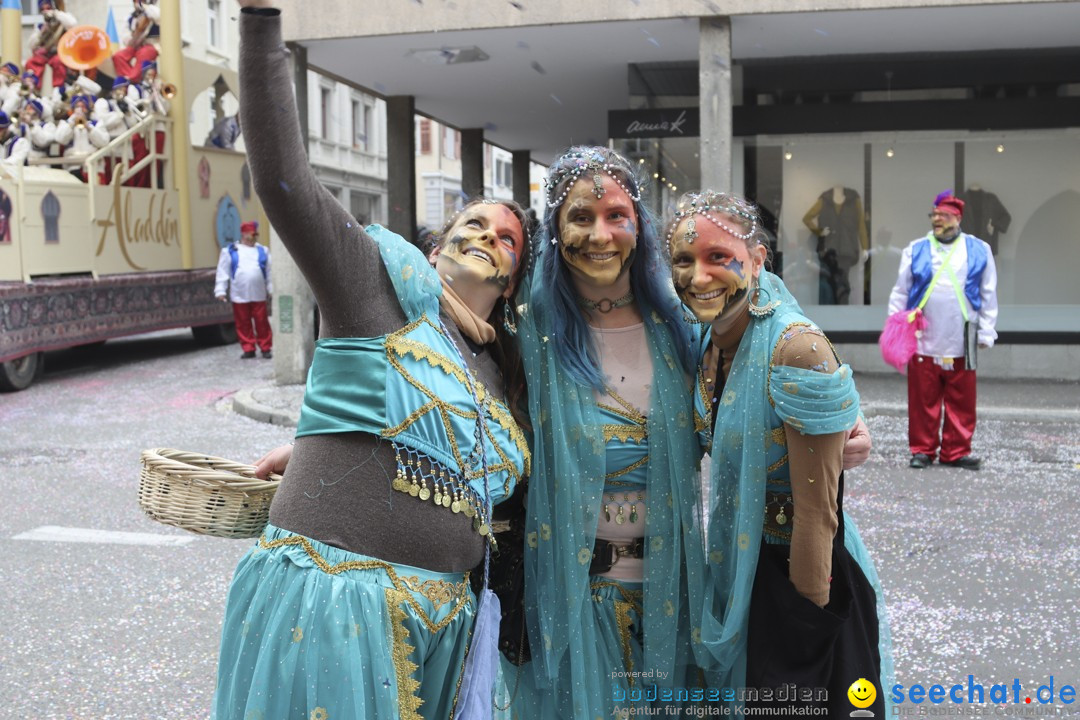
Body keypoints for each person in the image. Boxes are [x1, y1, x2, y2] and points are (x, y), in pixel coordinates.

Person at [213, 5, 532, 720]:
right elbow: (283, 179)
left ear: (514, 280)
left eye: (506, 237)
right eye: (471, 223)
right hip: (337, 613)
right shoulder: (375, 288)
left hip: (449, 631)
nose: (485, 234)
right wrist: (263, 21)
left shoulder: (505, 369)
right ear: (441, 241)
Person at [668, 191, 891, 715]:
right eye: (684, 259)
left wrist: (803, 636)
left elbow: (818, 514)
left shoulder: (796, 349)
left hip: (801, 575)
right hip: (739, 567)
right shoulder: (707, 336)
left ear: (759, 259)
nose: (699, 276)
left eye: (719, 257)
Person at [887, 191, 997, 470]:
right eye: (934, 215)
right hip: (924, 337)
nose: (937, 220)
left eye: (943, 216)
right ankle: (922, 450)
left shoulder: (979, 249)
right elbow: (901, 291)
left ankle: (956, 450)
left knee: (962, 398)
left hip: (962, 337)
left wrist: (987, 330)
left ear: (957, 218)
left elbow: (988, 292)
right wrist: (895, 326)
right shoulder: (915, 249)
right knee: (923, 398)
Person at [214, 220, 273, 359]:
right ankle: (248, 347)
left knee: (262, 321)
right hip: (239, 294)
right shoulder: (230, 251)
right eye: (250, 234)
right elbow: (222, 271)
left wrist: (271, 288)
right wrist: (220, 290)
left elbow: (270, 272)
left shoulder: (262, 250)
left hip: (258, 293)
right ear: (244, 234)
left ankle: (265, 347)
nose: (252, 238)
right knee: (243, 322)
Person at [24, 0, 77, 90]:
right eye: (43, 9)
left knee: (57, 61)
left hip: (60, 53)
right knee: (31, 62)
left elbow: (72, 23)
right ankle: (34, 88)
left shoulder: (62, 21)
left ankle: (57, 88)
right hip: (46, 54)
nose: (46, 11)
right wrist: (41, 33)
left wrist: (55, 14)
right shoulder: (41, 26)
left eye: (48, 8)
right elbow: (31, 45)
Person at [112, 0, 161, 81]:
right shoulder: (131, 18)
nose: (137, 3)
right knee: (118, 56)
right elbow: (125, 38)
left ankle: (133, 78)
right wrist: (135, 35)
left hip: (151, 45)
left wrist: (145, 7)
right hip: (135, 45)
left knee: (143, 53)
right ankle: (126, 80)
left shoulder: (153, 11)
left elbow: (158, 15)